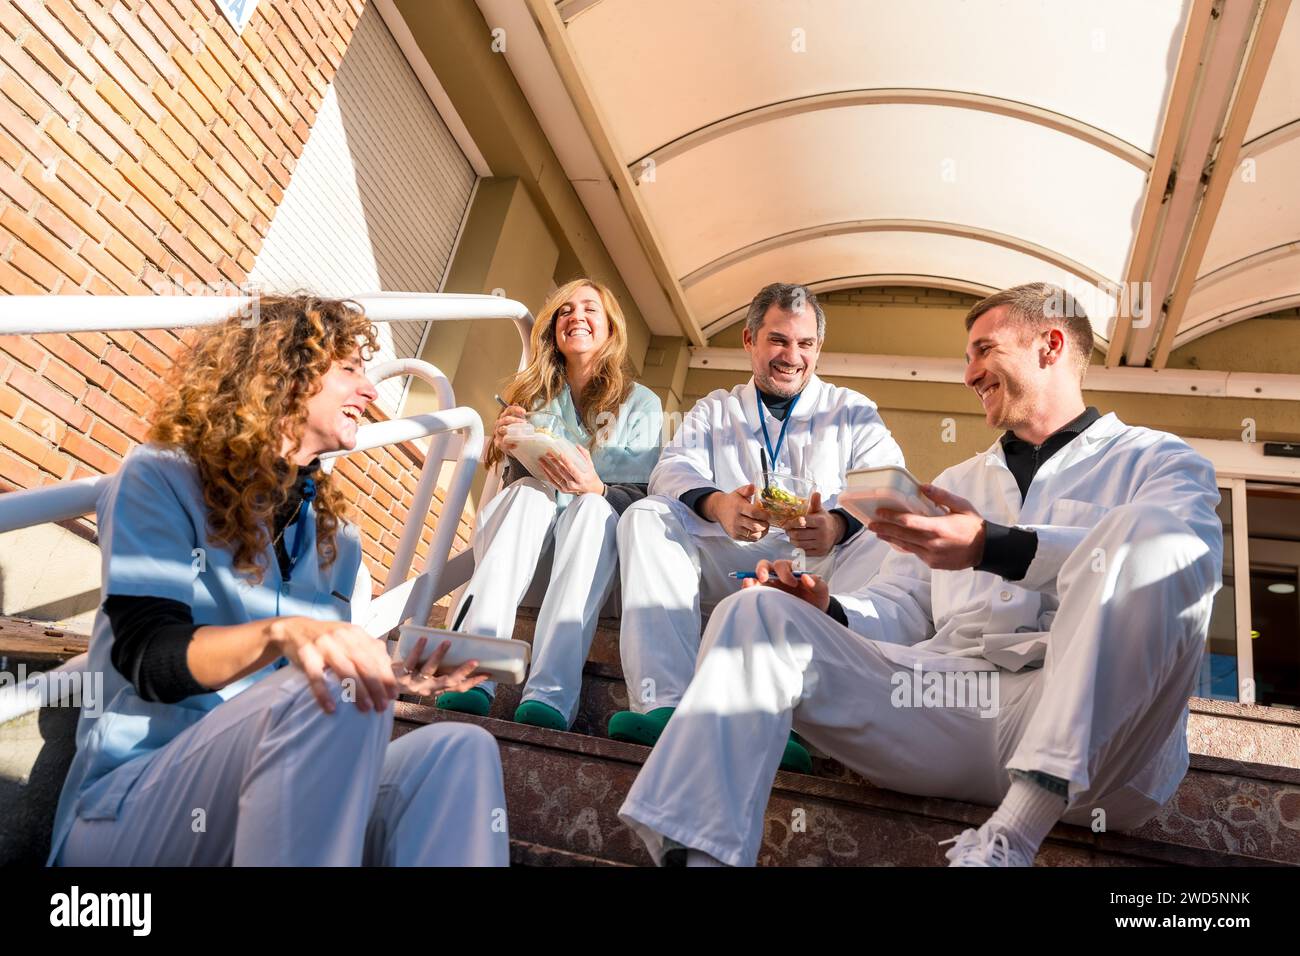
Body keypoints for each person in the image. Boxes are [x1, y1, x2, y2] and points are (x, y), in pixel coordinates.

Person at [616, 282, 1223, 867]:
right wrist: (828, 608)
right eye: (967, 358)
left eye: (985, 350)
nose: (969, 374)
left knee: (1156, 536)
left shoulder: (1159, 460)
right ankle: (699, 856)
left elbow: (1179, 562)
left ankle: (1012, 834)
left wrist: (993, 545)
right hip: (947, 700)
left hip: (1102, 744)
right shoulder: (956, 484)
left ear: (1051, 346)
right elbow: (901, 609)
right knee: (755, 611)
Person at [47, 295, 510, 866]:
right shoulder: (164, 476)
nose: (371, 392)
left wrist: (393, 677)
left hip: (269, 800)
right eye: (349, 369)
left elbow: (305, 691)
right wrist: (284, 634)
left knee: (459, 751)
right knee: (328, 687)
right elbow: (148, 657)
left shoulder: (335, 538)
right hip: (134, 810)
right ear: (283, 373)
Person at [610, 282, 906, 772]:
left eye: (805, 344)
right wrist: (719, 505)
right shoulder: (716, 408)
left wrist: (836, 524)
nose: (792, 356)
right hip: (731, 552)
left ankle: (793, 722)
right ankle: (663, 704)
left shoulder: (851, 409)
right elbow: (670, 468)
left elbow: (890, 483)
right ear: (749, 340)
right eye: (778, 340)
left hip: (819, 561)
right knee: (647, 513)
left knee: (886, 537)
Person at [435, 278, 662, 731]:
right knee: (528, 498)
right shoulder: (530, 394)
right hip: (524, 553)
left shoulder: (644, 404)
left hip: (590, 558)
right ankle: (471, 673)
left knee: (593, 509)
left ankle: (551, 695)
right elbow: (519, 478)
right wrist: (508, 443)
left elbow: (642, 499)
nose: (575, 317)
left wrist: (597, 488)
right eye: (564, 311)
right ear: (553, 328)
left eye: (589, 309)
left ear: (612, 329)